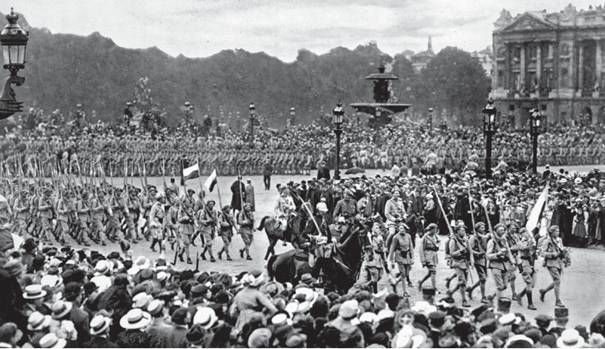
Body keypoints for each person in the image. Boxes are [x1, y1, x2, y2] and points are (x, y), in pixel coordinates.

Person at [539, 225, 567, 307]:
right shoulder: (547, 241)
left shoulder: (559, 240)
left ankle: (544, 291)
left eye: (558, 231)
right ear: (552, 232)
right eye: (556, 231)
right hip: (551, 262)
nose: (558, 233)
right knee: (557, 280)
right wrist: (552, 254)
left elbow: (561, 249)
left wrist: (565, 254)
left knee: (556, 281)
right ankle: (558, 300)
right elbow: (542, 253)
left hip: (559, 262)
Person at [486, 223, 514, 303]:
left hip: (504, 265)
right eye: (501, 230)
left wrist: (512, 262)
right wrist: (497, 254)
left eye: (503, 230)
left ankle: (491, 296)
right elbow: (487, 255)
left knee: (505, 286)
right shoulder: (492, 242)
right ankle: (500, 303)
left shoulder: (504, 241)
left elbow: (508, 251)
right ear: (496, 231)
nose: (503, 231)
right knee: (500, 286)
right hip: (495, 265)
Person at [447, 222, 471, 307]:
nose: (463, 232)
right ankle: (464, 300)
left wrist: (470, 259)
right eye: (462, 230)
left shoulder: (465, 240)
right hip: (457, 263)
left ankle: (451, 293)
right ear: (457, 231)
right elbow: (452, 254)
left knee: (463, 282)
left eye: (464, 230)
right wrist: (460, 251)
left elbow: (469, 251)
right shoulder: (453, 241)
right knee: (462, 281)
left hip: (465, 263)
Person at [388, 223, 414, 297]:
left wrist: (412, 257)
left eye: (402, 228)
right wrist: (392, 260)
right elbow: (392, 249)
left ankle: (395, 282)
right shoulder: (396, 237)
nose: (401, 230)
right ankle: (405, 291)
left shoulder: (408, 236)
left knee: (407, 273)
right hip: (399, 255)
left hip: (407, 255)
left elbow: (411, 247)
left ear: (405, 229)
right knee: (403, 274)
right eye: (399, 228)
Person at [467, 221, 489, 303]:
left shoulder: (484, 237)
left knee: (484, 278)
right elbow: (469, 249)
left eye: (484, 227)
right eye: (482, 227)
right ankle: (483, 297)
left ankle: (471, 289)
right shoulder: (473, 238)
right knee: (483, 278)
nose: (484, 229)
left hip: (484, 259)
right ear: (477, 229)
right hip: (477, 260)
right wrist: (477, 253)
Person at [517, 227, 537, 310]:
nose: (526, 234)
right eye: (524, 233)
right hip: (524, 262)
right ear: (521, 235)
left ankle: (520, 295)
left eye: (526, 232)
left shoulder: (531, 240)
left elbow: (534, 249)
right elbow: (525, 248)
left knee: (533, 283)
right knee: (529, 283)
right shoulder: (520, 242)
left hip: (531, 262)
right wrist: (530, 242)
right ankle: (530, 304)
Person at [418, 223, 439, 291]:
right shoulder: (425, 237)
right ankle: (434, 288)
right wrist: (423, 260)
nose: (436, 230)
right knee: (433, 271)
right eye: (435, 229)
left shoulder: (435, 236)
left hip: (434, 256)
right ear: (431, 229)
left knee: (430, 273)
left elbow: (438, 243)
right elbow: (421, 249)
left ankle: (421, 282)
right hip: (427, 256)